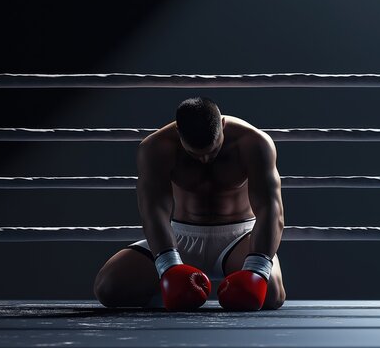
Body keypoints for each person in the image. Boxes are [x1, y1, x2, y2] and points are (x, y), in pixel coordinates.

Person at [93, 97, 286, 311]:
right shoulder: (156, 147)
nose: (204, 160)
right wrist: (168, 266)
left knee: (271, 295)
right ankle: (167, 292)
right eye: (195, 154)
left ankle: (189, 287)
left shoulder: (253, 143)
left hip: (239, 237)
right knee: (108, 288)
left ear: (222, 125)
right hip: (181, 236)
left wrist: (257, 268)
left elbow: (271, 210)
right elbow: (154, 211)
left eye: (213, 151)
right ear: (178, 133)